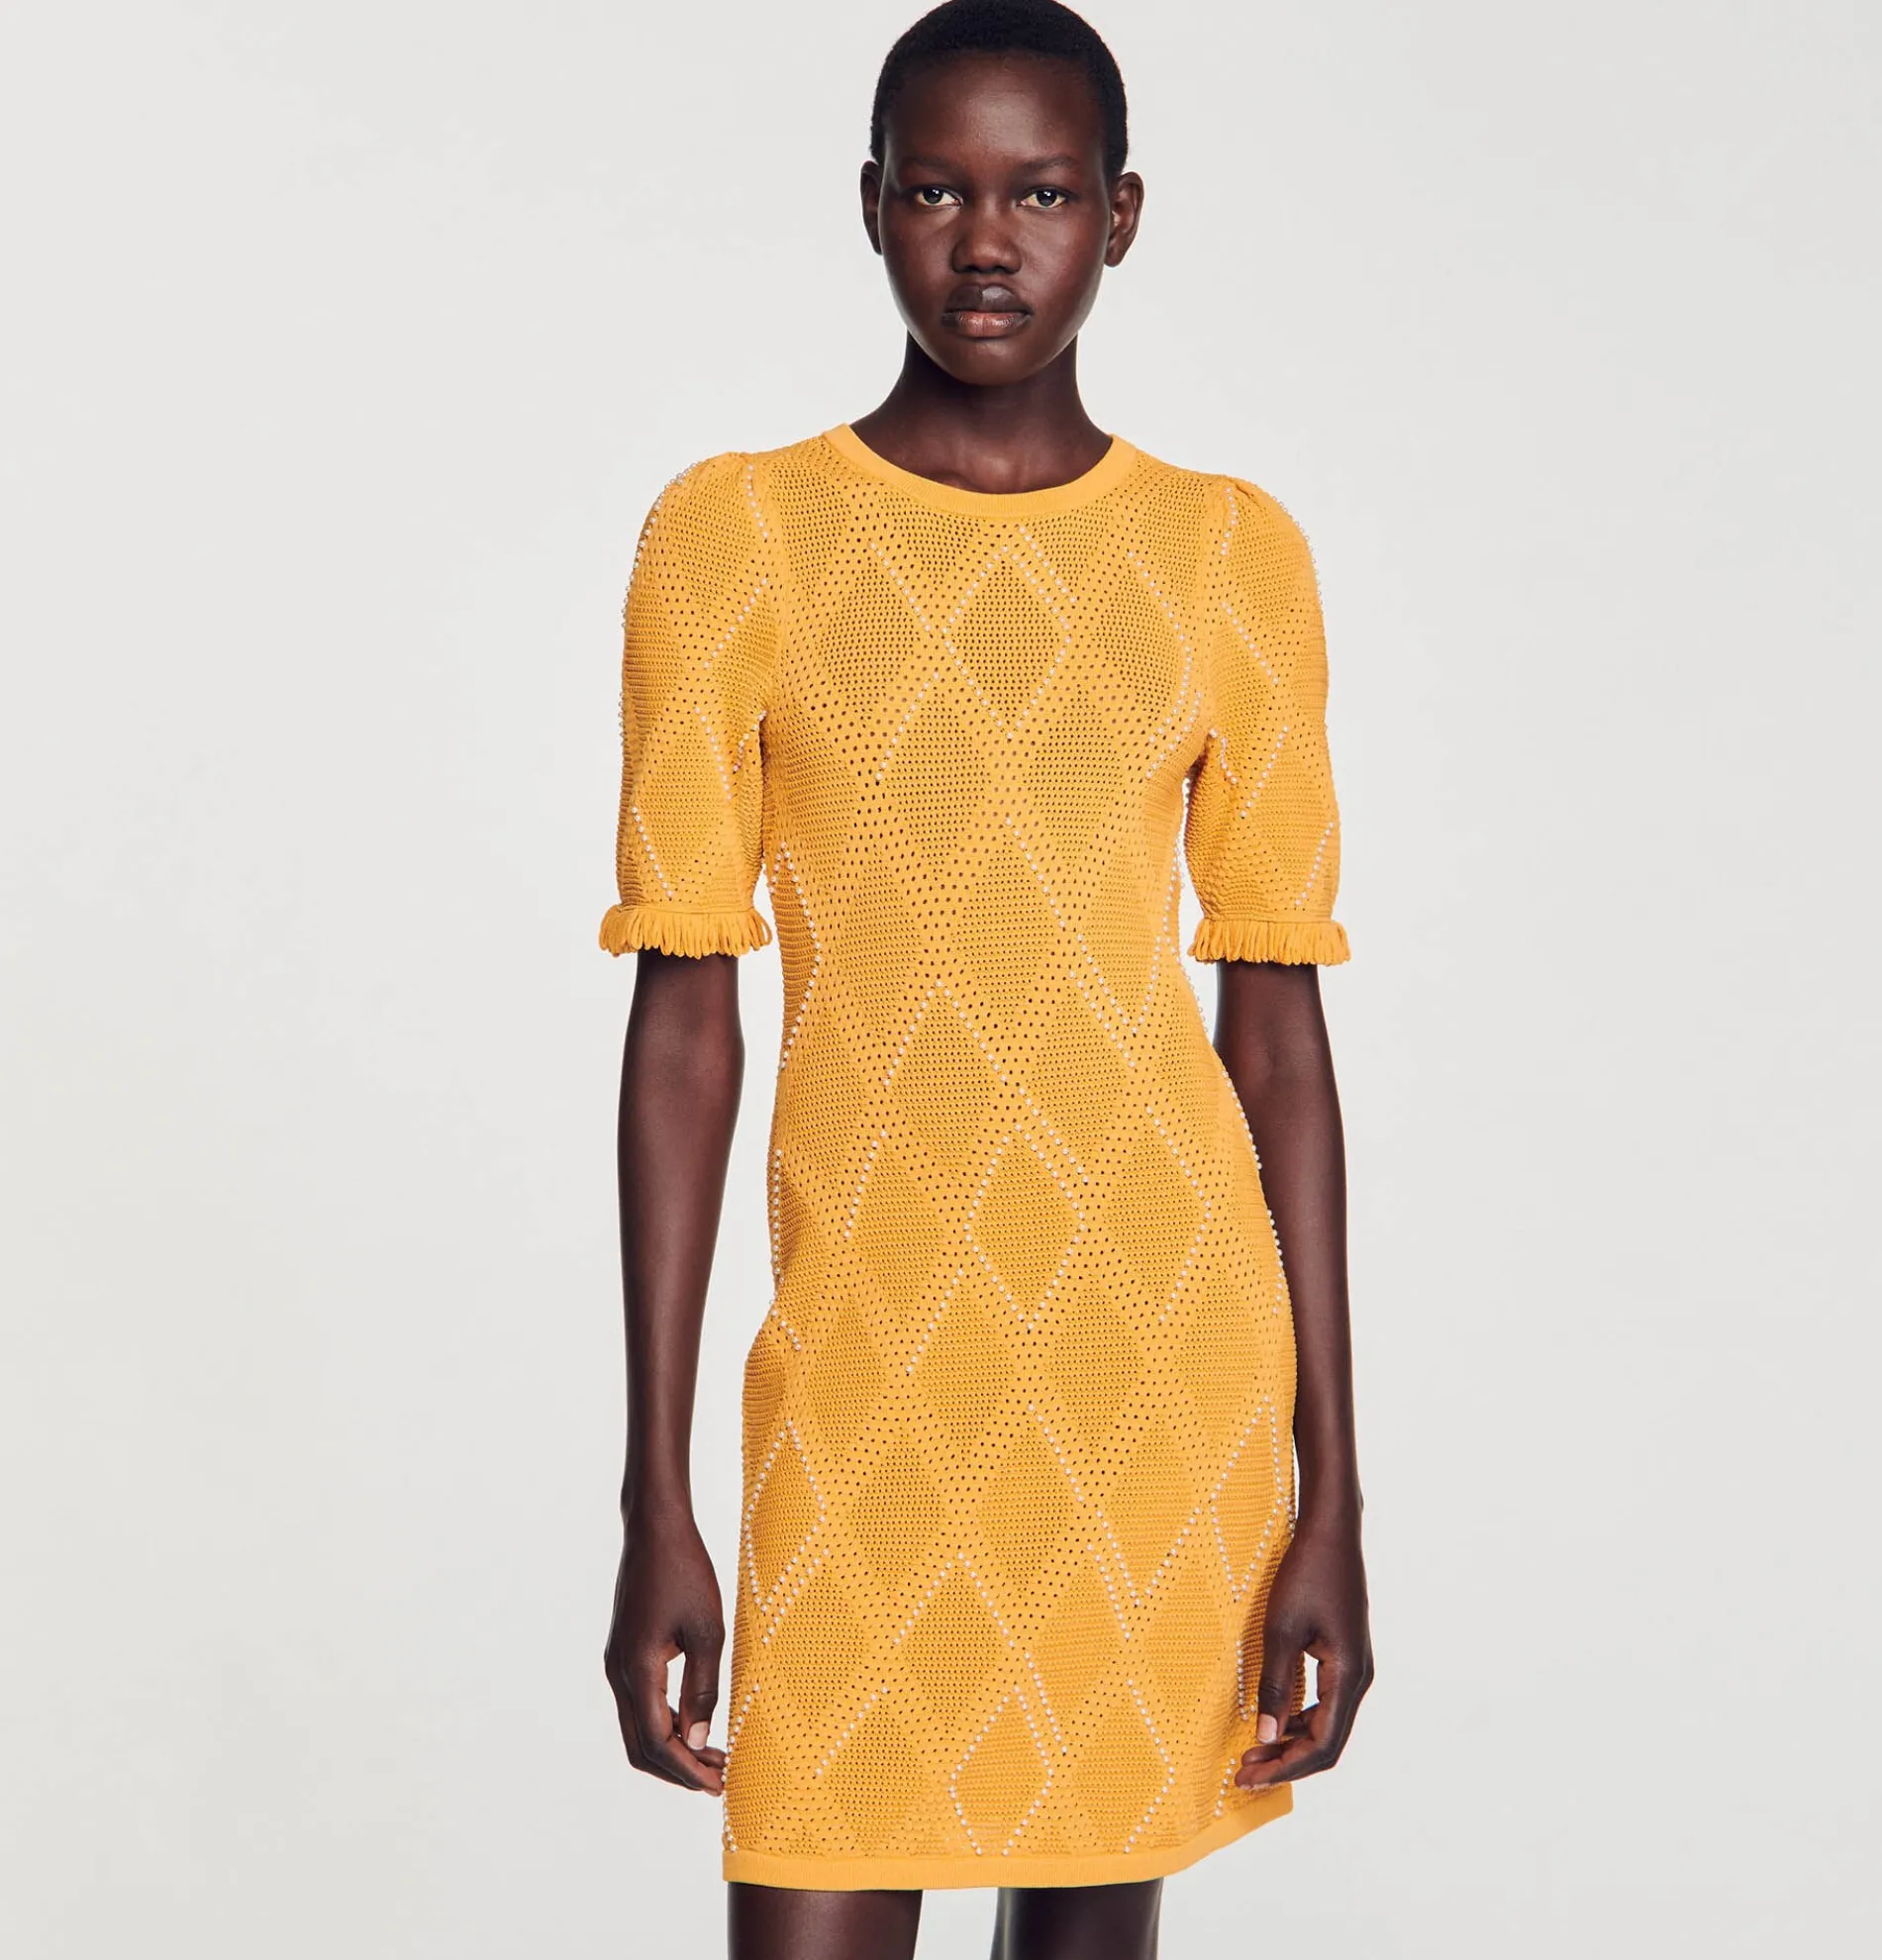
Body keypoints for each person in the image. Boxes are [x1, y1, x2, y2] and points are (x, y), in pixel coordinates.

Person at [598, 4, 1371, 1955]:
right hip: (864, 1376)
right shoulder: (739, 536)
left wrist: (1333, 1499)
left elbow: (1278, 1038)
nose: (989, 245)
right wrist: (655, 1492)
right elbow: (684, 1026)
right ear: (871, 207)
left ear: (1123, 214)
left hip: (1153, 1366)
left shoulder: (1225, 556)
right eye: (939, 192)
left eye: (1041, 193)